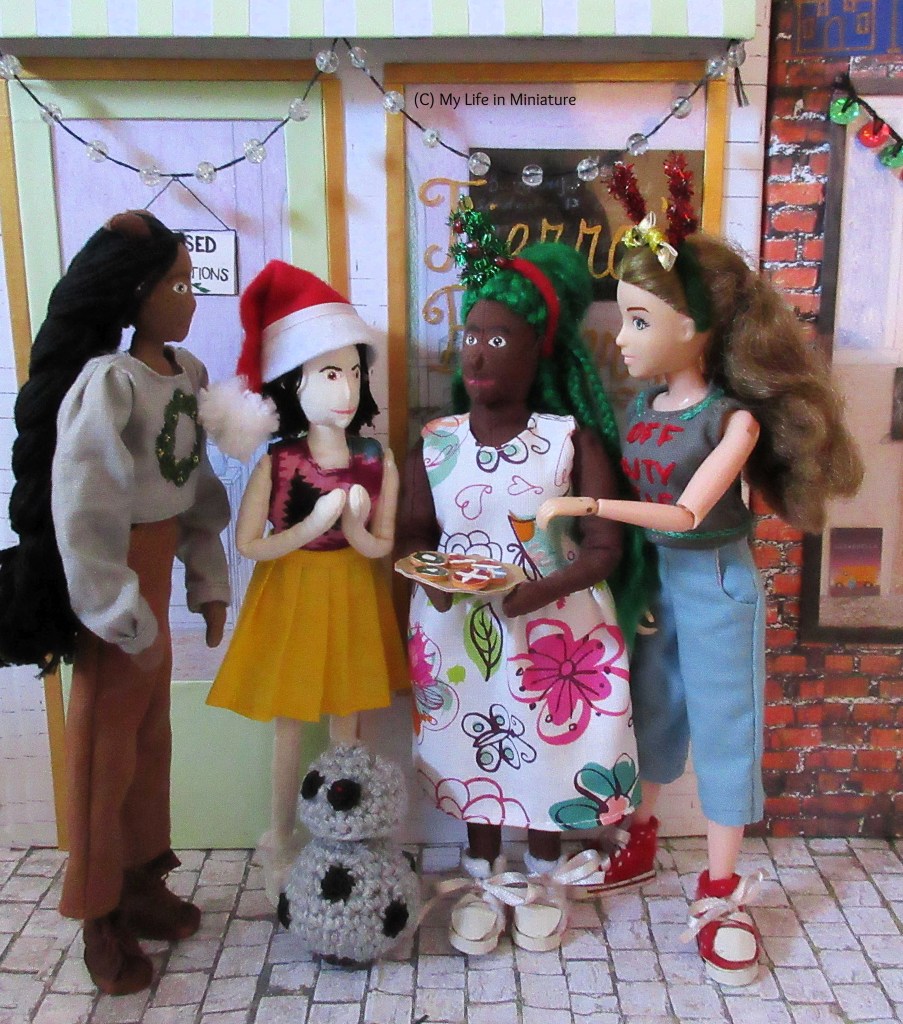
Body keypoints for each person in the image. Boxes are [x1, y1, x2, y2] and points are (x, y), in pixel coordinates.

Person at [539, 161, 863, 985]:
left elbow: (686, 514)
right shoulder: (642, 408)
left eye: (638, 319)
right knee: (653, 711)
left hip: (715, 584)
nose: (621, 337)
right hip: (658, 588)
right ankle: (640, 836)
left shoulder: (733, 421)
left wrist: (587, 508)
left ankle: (720, 888)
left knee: (723, 727)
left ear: (691, 327)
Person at [397, 202, 652, 955]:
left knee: (547, 745)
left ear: (537, 351)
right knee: (470, 740)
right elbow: (413, 533)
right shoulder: (436, 443)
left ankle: (540, 869)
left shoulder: (566, 440)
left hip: (555, 631)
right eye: (471, 336)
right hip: (456, 628)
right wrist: (427, 576)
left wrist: (541, 590)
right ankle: (481, 869)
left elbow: (603, 545)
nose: (478, 355)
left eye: (498, 339)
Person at [0, 211, 231, 995]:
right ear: (134, 294)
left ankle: (139, 877)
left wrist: (208, 582)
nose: (189, 299)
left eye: (190, 284)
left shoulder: (185, 373)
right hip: (114, 581)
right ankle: (96, 910)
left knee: (150, 739)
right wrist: (113, 606)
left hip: (156, 571)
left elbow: (197, 487)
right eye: (175, 285)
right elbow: (85, 502)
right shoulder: (111, 382)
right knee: (103, 751)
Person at [202, 260, 407, 903]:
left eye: (353, 372)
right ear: (294, 381)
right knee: (290, 721)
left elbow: (382, 546)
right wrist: (315, 522)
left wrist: (354, 529)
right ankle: (280, 834)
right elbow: (248, 544)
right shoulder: (280, 460)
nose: (346, 389)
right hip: (291, 593)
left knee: (349, 720)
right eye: (329, 373)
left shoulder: (377, 458)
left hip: (353, 592)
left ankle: (343, 834)